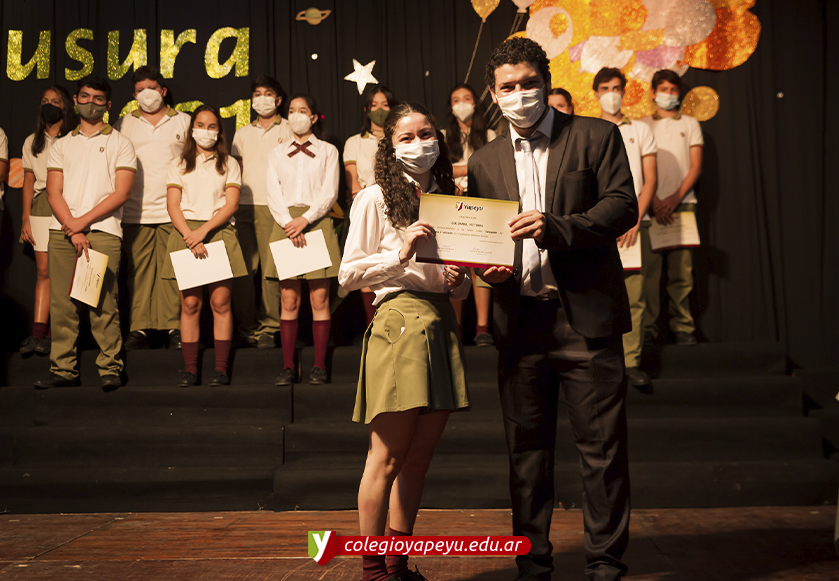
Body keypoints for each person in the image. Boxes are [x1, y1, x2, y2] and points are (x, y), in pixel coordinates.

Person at [468, 37, 637, 581]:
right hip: (519, 322)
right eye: (508, 87)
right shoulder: (485, 159)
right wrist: (487, 270)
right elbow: (482, 240)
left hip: (584, 319)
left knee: (602, 451)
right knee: (526, 454)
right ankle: (532, 563)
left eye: (528, 83)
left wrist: (557, 227)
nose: (519, 94)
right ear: (493, 93)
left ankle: (606, 564)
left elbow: (621, 206)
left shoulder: (595, 135)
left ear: (545, 81)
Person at [339, 102, 471, 581]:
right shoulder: (374, 198)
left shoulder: (451, 198)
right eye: (407, 137)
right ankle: (373, 570)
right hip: (399, 321)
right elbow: (348, 275)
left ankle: (396, 565)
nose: (420, 144)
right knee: (387, 457)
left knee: (417, 460)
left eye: (427, 134)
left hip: (440, 321)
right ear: (391, 148)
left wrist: (460, 278)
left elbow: (463, 285)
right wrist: (401, 253)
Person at [34, 75, 137, 390]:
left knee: (102, 303)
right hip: (62, 232)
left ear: (108, 104)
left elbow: (121, 193)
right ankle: (63, 370)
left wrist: (82, 223)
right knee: (63, 305)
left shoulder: (121, 143)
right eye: (85, 96)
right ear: (75, 101)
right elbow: (53, 192)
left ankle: (110, 368)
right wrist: (72, 227)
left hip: (103, 231)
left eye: (98, 98)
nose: (91, 102)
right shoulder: (61, 145)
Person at [163, 105, 246, 387]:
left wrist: (203, 231)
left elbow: (231, 204)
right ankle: (190, 369)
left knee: (220, 302)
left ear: (219, 131)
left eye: (212, 126)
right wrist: (189, 234)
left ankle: (221, 369)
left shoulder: (229, 163)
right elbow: (173, 204)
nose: (205, 131)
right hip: (186, 233)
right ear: (192, 129)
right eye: (200, 125)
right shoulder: (178, 163)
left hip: (217, 231)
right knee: (190, 303)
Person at [265, 94, 340, 386]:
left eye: (303, 110)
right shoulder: (277, 152)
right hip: (285, 224)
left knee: (319, 298)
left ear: (313, 117)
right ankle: (288, 367)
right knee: (288, 298)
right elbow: (272, 191)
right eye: (292, 110)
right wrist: (289, 222)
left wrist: (305, 220)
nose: (296, 115)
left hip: (315, 222)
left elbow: (329, 192)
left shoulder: (328, 151)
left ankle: (319, 366)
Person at [115, 66, 191, 352]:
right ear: (134, 95)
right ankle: (140, 327)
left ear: (163, 91)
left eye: (152, 88)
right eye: (140, 90)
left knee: (173, 272)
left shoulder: (183, 120)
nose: (147, 94)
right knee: (139, 273)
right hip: (135, 211)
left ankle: (173, 327)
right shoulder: (124, 123)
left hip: (175, 211)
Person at [594, 67, 658, 390]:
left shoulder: (641, 130)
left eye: (616, 87)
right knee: (598, 295)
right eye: (605, 88)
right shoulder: (588, 129)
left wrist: (633, 219)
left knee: (635, 296)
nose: (611, 94)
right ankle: (603, 362)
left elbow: (650, 180)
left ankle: (632, 362)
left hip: (634, 226)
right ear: (595, 94)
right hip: (598, 227)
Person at [639, 70, 703, 346]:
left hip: (683, 205)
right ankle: (649, 329)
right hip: (650, 207)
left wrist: (674, 199)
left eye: (673, 90)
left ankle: (683, 328)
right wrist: (653, 200)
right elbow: (639, 168)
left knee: (682, 272)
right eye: (663, 89)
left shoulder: (690, 124)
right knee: (649, 274)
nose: (668, 94)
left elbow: (695, 166)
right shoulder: (642, 125)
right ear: (653, 93)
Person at [230, 75, 294, 349]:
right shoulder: (243, 133)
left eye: (267, 93)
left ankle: (269, 327)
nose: (261, 99)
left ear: (278, 100)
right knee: (243, 271)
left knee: (271, 270)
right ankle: (247, 328)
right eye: (257, 94)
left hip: (275, 207)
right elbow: (235, 171)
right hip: (244, 206)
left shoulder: (289, 128)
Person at [19, 85, 75, 356]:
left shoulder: (74, 138)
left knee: (64, 270)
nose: (49, 105)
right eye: (45, 101)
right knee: (44, 271)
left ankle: (58, 334)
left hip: (68, 203)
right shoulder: (32, 141)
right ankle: (38, 333)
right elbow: (28, 181)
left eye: (55, 101)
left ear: (65, 106)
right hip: (41, 205)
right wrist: (25, 217)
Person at [441, 83, 497, 347]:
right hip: (451, 204)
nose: (462, 104)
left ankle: (482, 328)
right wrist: (472, 167)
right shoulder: (442, 136)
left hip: (482, 203)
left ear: (475, 103)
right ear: (451, 107)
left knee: (480, 267)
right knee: (455, 267)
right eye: (456, 100)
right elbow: (442, 170)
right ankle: (456, 328)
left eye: (466, 98)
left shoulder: (489, 134)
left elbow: (492, 170)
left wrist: (460, 169)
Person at [343, 84, 396, 326]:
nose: (380, 110)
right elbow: (353, 180)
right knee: (367, 263)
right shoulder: (354, 142)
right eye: (374, 105)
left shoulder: (398, 139)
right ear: (366, 109)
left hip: (396, 206)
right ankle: (371, 325)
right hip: (366, 206)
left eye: (385, 105)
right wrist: (364, 200)